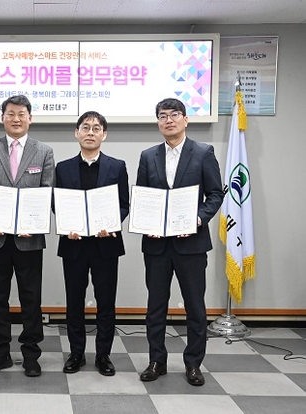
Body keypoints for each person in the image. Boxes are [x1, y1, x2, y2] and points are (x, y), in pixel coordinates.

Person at [136, 97, 224, 386]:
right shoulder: (148, 156)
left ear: (185, 119)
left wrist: (197, 219)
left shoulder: (203, 152)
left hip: (191, 245)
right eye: (163, 116)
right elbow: (143, 198)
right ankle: (156, 361)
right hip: (157, 245)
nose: (169, 120)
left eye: (175, 115)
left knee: (195, 307)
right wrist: (147, 223)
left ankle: (193, 364)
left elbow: (215, 194)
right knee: (155, 307)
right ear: (158, 122)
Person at [0, 95, 55, 377]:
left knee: (31, 299)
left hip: (28, 239)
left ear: (30, 118)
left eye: (21, 114)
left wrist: (33, 222)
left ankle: (31, 355)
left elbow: (47, 192)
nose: (16, 119)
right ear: (2, 118)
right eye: (10, 114)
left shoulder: (44, 151)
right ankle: (0, 353)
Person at [55, 111, 129, 376]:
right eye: (85, 127)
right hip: (73, 244)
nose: (90, 132)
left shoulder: (117, 166)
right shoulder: (62, 168)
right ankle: (76, 353)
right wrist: (67, 225)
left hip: (105, 245)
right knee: (74, 302)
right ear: (76, 133)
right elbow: (56, 203)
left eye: (96, 128)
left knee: (105, 303)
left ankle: (103, 355)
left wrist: (112, 223)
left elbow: (124, 204)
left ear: (104, 135)